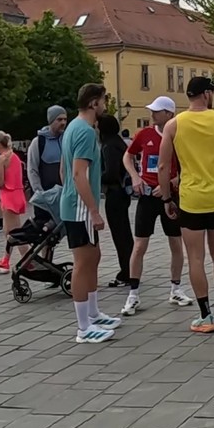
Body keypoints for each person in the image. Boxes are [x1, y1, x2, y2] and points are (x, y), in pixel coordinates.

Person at [158, 76, 214, 334]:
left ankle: (205, 314)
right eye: (211, 92)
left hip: (190, 200)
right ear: (205, 94)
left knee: (195, 257)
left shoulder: (173, 125)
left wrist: (167, 198)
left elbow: (163, 166)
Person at [60, 83, 123, 343]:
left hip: (75, 204)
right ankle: (83, 327)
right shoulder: (85, 132)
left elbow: (64, 170)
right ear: (93, 103)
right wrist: (94, 211)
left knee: (93, 257)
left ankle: (93, 313)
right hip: (80, 208)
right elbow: (78, 174)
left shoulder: (73, 127)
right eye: (103, 100)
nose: (105, 105)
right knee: (83, 262)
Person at [122, 96, 190, 315]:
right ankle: (133, 294)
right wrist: (135, 177)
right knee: (139, 245)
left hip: (170, 196)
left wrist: (171, 183)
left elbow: (188, 167)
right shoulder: (144, 134)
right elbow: (127, 157)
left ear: (169, 114)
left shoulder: (179, 136)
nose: (152, 114)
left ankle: (176, 289)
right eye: (152, 110)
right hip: (147, 196)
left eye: (157, 111)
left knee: (176, 243)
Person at [98, 112, 135, 289]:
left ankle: (126, 272)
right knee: (124, 232)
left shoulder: (109, 146)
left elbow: (111, 172)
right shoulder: (119, 142)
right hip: (122, 193)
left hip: (114, 193)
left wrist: (96, 178)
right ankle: (131, 269)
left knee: (119, 234)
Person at [0, 132, 28, 272]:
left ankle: (28, 260)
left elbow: (0, 182)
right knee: (8, 231)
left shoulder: (1, 159)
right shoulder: (15, 157)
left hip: (8, 195)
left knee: (14, 233)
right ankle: (5, 260)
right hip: (18, 194)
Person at [27, 106, 70, 221]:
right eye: (59, 119)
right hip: (45, 196)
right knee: (44, 226)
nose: (63, 123)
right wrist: (39, 193)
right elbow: (32, 169)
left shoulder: (67, 140)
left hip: (64, 195)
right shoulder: (38, 142)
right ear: (51, 120)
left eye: (65, 119)